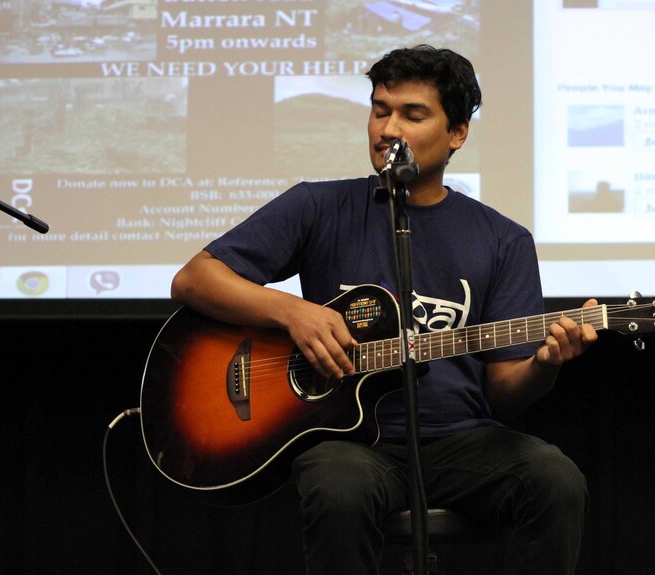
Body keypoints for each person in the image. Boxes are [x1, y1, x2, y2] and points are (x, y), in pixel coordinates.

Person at [171, 45, 597, 575]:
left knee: (554, 479)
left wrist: (544, 365)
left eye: (412, 115)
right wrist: (291, 312)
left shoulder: (503, 240)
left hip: (461, 441)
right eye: (380, 110)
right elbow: (193, 279)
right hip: (351, 442)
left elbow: (505, 393)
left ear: (458, 132)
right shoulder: (317, 206)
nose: (388, 128)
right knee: (338, 489)